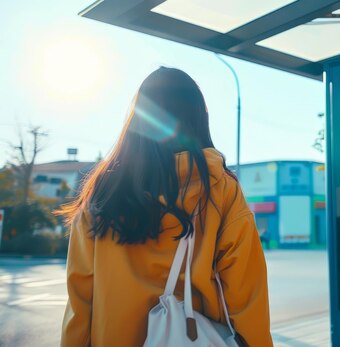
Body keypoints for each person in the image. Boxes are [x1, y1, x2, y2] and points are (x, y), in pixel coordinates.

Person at [57, 67, 272, 346]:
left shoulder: (104, 190)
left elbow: (80, 298)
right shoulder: (219, 188)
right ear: (199, 118)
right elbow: (246, 292)